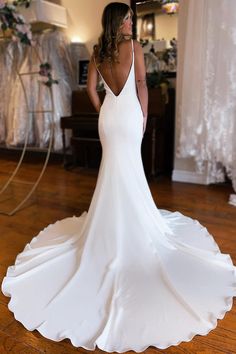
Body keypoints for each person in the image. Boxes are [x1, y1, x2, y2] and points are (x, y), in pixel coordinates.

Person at [1, 2, 236, 353]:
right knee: (129, 171)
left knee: (113, 172)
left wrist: (105, 110)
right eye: (126, 18)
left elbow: (91, 91)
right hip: (127, 117)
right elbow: (141, 83)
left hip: (109, 118)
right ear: (118, 22)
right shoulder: (135, 48)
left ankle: (109, 228)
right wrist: (141, 117)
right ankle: (130, 229)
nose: (130, 22)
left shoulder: (98, 51)